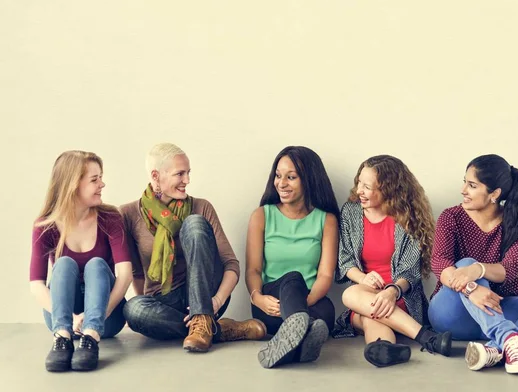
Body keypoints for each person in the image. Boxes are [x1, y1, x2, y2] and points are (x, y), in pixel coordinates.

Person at [121, 143, 266, 352]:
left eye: (188, 173)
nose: (187, 181)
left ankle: (202, 318)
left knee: (194, 223)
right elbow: (136, 273)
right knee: (133, 309)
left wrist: (215, 302)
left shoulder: (201, 206)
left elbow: (231, 264)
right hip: (165, 301)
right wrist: (148, 306)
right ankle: (216, 330)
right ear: (155, 175)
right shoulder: (128, 214)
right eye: (180, 174)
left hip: (206, 295)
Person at [428, 154, 518, 375]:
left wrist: (479, 269)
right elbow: (440, 262)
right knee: (466, 264)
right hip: (451, 314)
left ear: (495, 194)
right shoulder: (451, 217)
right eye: (465, 182)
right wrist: (471, 287)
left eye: (472, 185)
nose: (463, 189)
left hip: (496, 309)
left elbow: (510, 269)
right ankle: (509, 338)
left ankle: (496, 349)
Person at [335, 155, 452, 367]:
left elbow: (410, 273)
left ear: (388, 189)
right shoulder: (350, 212)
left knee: (370, 313)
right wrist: (363, 278)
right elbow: (345, 262)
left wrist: (391, 292)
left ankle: (383, 347)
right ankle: (426, 339)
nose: (359, 190)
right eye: (359, 182)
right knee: (352, 294)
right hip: (363, 296)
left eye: (367, 186)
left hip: (399, 298)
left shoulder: (407, 217)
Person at [30, 151, 132, 372]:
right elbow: (36, 283)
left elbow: (125, 275)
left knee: (96, 264)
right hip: (63, 318)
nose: (102, 184)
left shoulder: (111, 218)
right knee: (64, 264)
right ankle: (62, 339)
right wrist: (72, 320)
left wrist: (96, 318)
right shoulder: (44, 225)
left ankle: (91, 338)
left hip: (108, 316)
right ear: (72, 185)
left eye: (101, 177)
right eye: (94, 180)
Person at [245, 146, 339, 368]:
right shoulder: (262, 215)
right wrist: (257, 298)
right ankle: (300, 331)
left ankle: (292, 344)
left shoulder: (326, 220)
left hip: (310, 300)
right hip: (271, 303)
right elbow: (253, 270)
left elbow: (325, 275)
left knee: (326, 314)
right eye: (278, 176)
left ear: (309, 180)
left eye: (291, 177)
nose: (281, 183)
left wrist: (299, 306)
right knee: (293, 278)